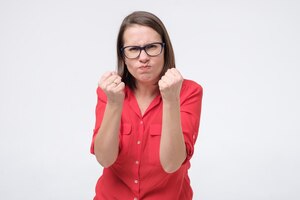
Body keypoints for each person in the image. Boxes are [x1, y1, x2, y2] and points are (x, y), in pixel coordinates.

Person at [90, 11, 203, 200]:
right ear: (123, 56)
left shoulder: (189, 92)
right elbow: (104, 159)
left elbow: (171, 163)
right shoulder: (109, 92)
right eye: (133, 49)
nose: (143, 57)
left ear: (165, 49)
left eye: (152, 47)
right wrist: (114, 104)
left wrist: (170, 100)